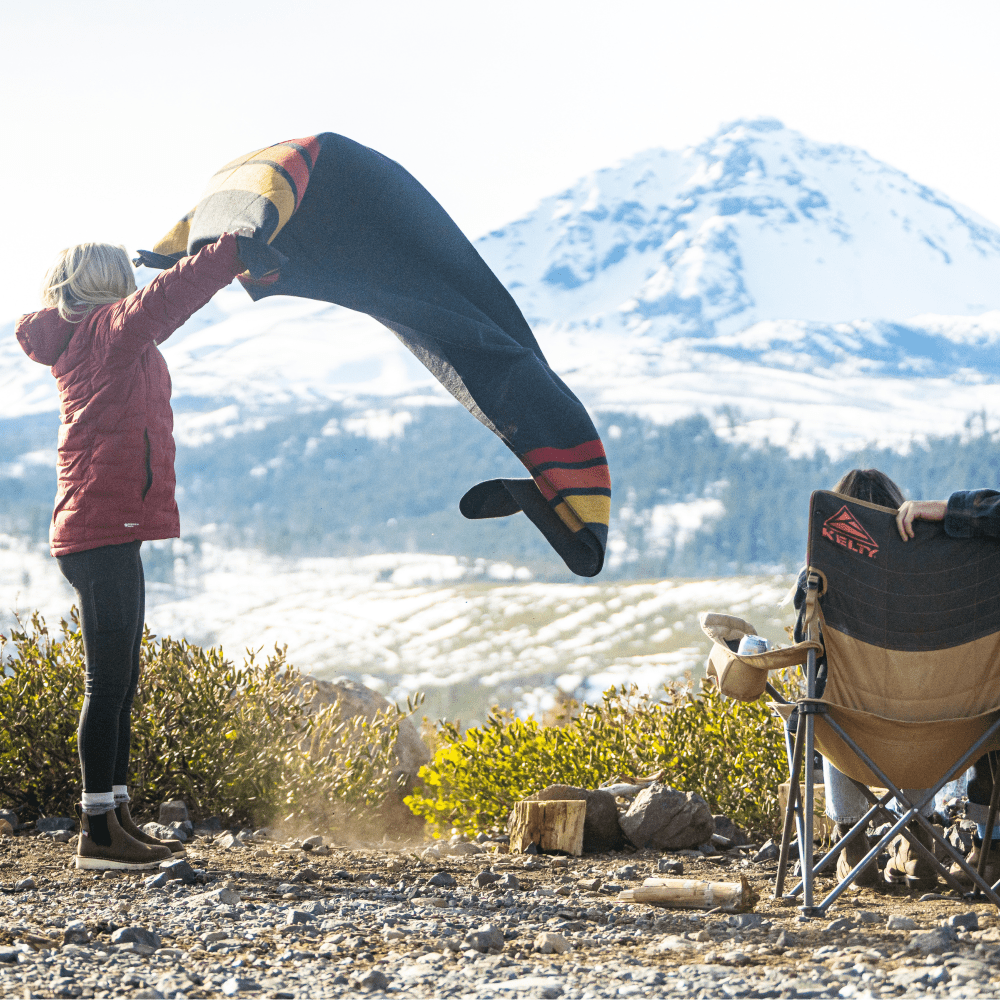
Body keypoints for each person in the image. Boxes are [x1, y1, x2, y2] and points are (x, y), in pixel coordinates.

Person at [16, 232, 249, 869]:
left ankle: (117, 817)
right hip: (101, 530)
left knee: (121, 683)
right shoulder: (110, 332)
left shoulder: (91, 337)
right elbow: (173, 297)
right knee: (108, 682)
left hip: (109, 527)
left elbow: (160, 299)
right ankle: (97, 834)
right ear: (109, 283)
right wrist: (231, 250)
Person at [792, 469, 938, 889]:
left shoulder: (818, 580)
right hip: (936, 734)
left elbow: (808, 654)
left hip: (854, 736)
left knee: (829, 700)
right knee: (915, 701)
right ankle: (919, 842)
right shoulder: (938, 581)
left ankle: (851, 843)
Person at [896, 492, 1000, 886]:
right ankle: (990, 847)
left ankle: (869, 841)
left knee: (824, 700)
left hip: (867, 736)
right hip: (971, 726)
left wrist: (948, 509)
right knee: (988, 695)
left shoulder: (827, 577)